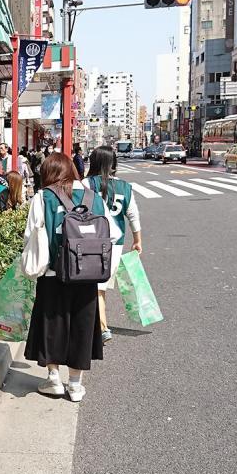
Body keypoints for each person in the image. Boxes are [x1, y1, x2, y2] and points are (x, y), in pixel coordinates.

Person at [20, 153, 119, 402]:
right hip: (87, 276)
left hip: (53, 275)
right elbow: (113, 234)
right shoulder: (94, 197)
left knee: (53, 325)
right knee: (82, 329)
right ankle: (75, 386)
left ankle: (53, 380)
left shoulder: (43, 197)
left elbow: (30, 234)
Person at [83, 146, 142, 344]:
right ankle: (99, 325)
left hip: (91, 241)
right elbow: (132, 214)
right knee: (101, 286)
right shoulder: (125, 186)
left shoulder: (87, 183)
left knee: (95, 286)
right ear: (113, 163)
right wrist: (137, 239)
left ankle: (102, 328)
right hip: (116, 243)